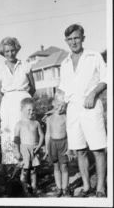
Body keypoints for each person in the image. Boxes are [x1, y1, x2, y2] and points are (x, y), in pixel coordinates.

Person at [58, 24, 107, 197]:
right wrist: (60, 103)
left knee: (98, 149)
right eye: (70, 39)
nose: (73, 42)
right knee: (79, 150)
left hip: (91, 107)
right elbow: (63, 88)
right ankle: (87, 187)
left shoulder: (94, 56)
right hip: (73, 110)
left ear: (83, 38)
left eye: (76, 38)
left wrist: (93, 94)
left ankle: (100, 188)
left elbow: (106, 78)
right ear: (66, 41)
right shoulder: (64, 63)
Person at [0, 37, 36, 165]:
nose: (10, 54)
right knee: (8, 133)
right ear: (3, 53)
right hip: (8, 105)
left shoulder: (26, 65)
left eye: (12, 50)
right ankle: (11, 171)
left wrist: (24, 100)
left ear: (17, 50)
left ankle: (27, 167)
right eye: (7, 51)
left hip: (23, 103)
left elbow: (33, 88)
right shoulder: (0, 69)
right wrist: (8, 102)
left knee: (25, 133)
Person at [44, 95, 75, 197]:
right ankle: (59, 187)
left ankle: (66, 188)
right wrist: (46, 147)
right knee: (56, 166)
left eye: (63, 106)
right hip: (52, 144)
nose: (60, 108)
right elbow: (48, 133)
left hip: (64, 143)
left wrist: (70, 148)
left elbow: (70, 133)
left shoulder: (66, 117)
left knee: (64, 166)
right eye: (58, 105)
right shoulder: (49, 118)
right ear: (53, 103)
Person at [14, 97, 44, 196]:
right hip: (24, 150)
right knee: (25, 170)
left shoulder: (36, 123)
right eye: (29, 110)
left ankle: (34, 187)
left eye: (33, 110)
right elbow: (17, 139)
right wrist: (17, 151)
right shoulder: (19, 124)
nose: (31, 112)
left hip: (34, 149)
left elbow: (42, 135)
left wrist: (39, 145)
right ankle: (25, 189)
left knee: (34, 169)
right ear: (22, 110)